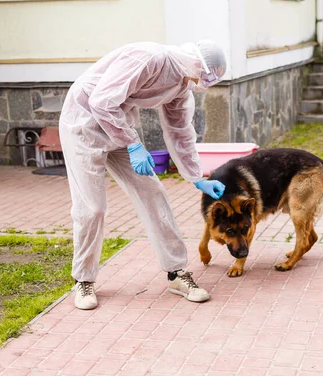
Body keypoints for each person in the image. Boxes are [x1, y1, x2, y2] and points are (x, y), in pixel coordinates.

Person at [59, 40, 227, 310]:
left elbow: (180, 132)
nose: (205, 81)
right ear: (196, 61)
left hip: (119, 129)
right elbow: (101, 101)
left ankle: (176, 273)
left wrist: (198, 177)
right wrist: (134, 143)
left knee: (153, 194)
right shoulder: (150, 58)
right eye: (207, 74)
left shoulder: (182, 87)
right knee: (92, 208)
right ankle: (83, 279)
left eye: (211, 79)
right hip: (84, 124)